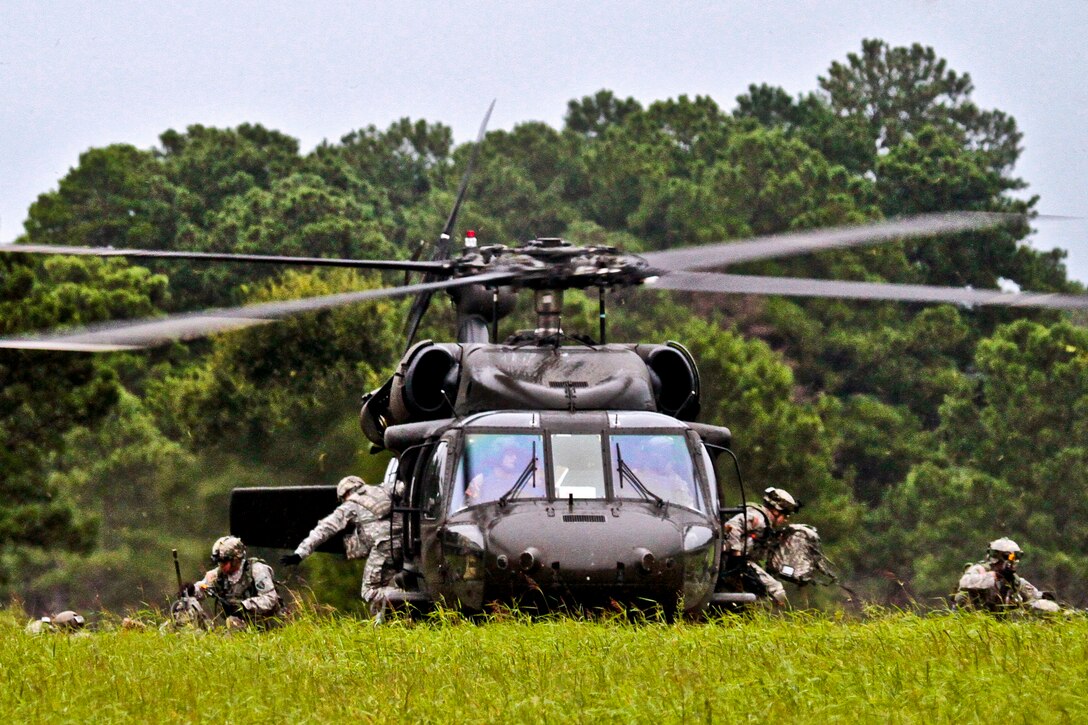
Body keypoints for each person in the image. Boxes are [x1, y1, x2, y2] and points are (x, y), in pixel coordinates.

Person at [280, 474, 403, 617]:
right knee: (392, 583)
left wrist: (300, 553)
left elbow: (324, 529)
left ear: (344, 494)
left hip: (383, 548)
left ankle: (409, 597)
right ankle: (394, 616)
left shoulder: (350, 505)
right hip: (406, 544)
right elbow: (408, 489)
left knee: (369, 590)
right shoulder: (386, 488)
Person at [718, 487, 799, 607]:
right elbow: (732, 526)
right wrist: (736, 555)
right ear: (776, 511)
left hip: (739, 564)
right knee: (776, 591)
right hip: (732, 563)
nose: (786, 519)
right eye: (785, 514)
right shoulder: (758, 518)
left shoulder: (765, 524)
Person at [188, 535, 282, 629]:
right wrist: (191, 590)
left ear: (235, 559)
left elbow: (271, 598)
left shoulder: (257, 570)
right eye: (219, 562)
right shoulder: (218, 575)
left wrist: (243, 606)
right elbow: (203, 587)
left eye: (224, 562)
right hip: (240, 625)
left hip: (268, 625)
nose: (221, 566)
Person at [954, 537, 1060, 614]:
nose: (1014, 561)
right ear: (998, 556)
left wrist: (1042, 597)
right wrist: (994, 576)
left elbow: (1031, 596)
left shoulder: (1015, 580)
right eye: (1011, 556)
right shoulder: (980, 569)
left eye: (1016, 556)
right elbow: (965, 581)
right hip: (975, 619)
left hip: (1001, 624)